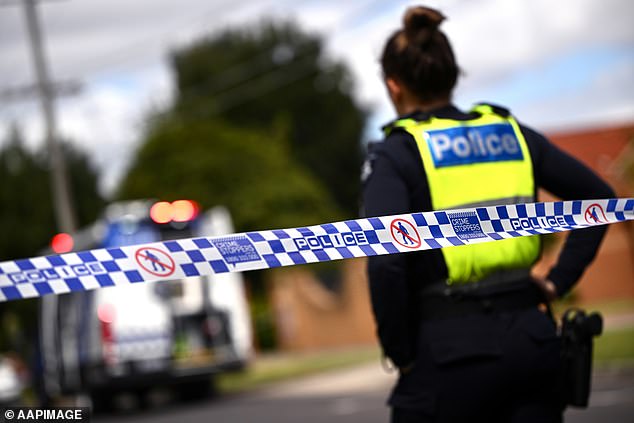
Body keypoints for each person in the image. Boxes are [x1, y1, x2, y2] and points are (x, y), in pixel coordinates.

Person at [362, 6, 615, 423]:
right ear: (451, 75)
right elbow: (600, 200)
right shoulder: (508, 132)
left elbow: (386, 259)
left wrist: (401, 352)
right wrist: (556, 281)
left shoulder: (397, 153)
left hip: (449, 355)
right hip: (533, 343)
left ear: (394, 87)